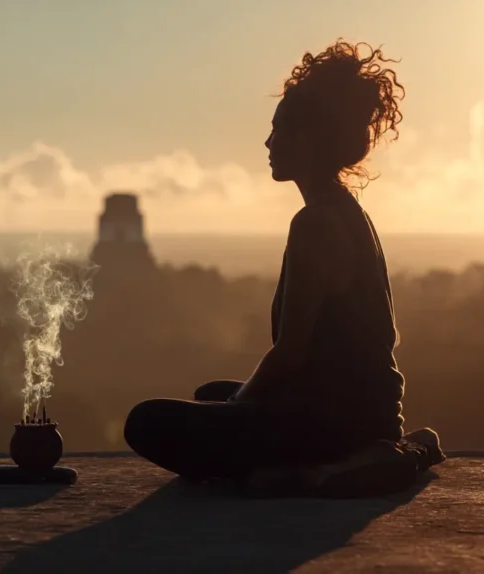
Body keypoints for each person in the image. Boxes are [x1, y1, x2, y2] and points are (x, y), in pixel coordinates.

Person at [123, 39, 416, 483]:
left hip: (335, 426)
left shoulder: (315, 224)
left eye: (279, 130)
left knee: (146, 421)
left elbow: (289, 353)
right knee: (210, 394)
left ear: (310, 141)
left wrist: (240, 407)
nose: (268, 141)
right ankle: (361, 457)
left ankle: (323, 471)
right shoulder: (346, 211)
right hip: (359, 417)